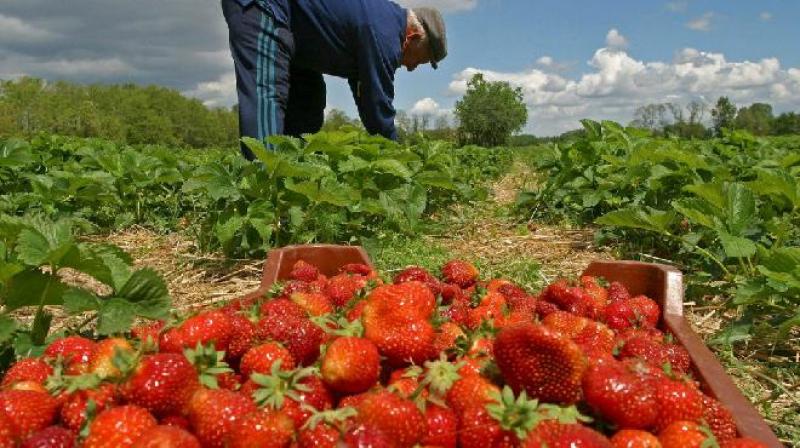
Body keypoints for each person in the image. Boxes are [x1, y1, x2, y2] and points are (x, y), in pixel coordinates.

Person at [221, 0, 447, 159]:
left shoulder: (382, 25)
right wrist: (396, 158)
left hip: (297, 33)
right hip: (264, 7)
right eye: (419, 60)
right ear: (413, 36)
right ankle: (264, 190)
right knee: (267, 94)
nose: (411, 68)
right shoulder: (386, 34)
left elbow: (364, 94)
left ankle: (294, 179)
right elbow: (377, 106)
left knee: (309, 101)